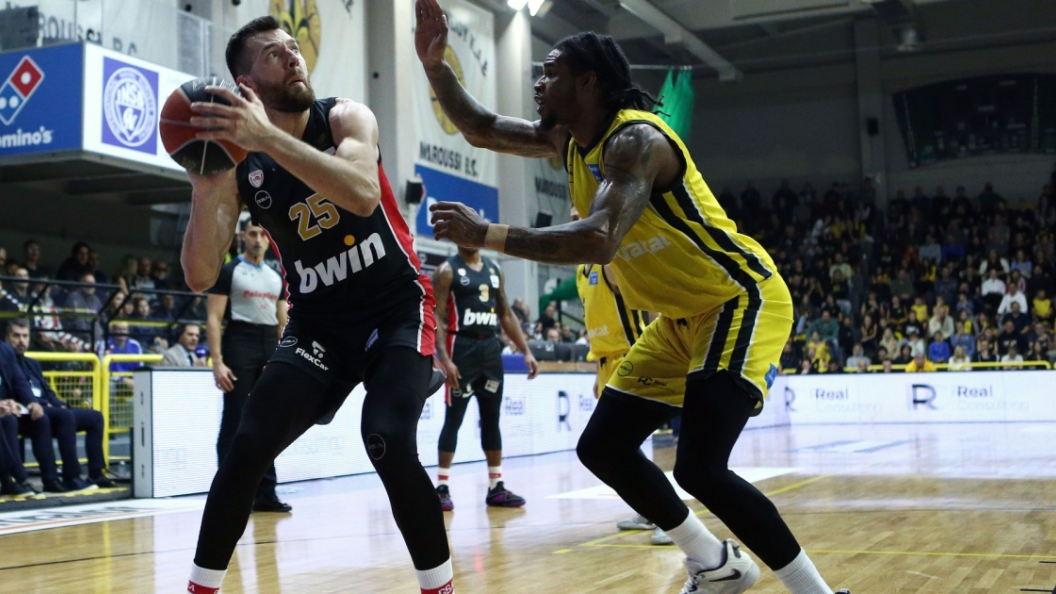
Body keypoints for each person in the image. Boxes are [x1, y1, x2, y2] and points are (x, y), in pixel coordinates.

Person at [417, 9, 847, 594]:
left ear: (588, 82)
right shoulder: (567, 140)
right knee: (604, 447)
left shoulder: (636, 140)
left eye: (550, 72)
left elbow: (599, 239)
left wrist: (486, 233)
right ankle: (715, 562)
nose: (539, 83)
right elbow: (480, 127)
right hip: (679, 318)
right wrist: (435, 66)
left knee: (700, 467)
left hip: (737, 297)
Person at [182, 16, 451, 594]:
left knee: (385, 438)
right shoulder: (240, 166)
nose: (293, 55)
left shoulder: (346, 116)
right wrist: (204, 184)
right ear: (246, 84)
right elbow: (200, 275)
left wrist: (267, 138)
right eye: (274, 54)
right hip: (318, 325)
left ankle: (440, 588)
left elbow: (362, 194)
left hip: (395, 309)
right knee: (247, 446)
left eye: (292, 46)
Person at [573, 206, 673, 546]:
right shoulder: (581, 270)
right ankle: (650, 509)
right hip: (605, 362)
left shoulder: (611, 261)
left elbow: (652, 303)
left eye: (579, 216)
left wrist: (660, 349)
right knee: (620, 445)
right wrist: (597, 369)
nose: (574, 222)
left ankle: (669, 516)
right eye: (571, 218)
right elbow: (597, 318)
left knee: (619, 444)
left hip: (631, 357)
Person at [432, 245, 539, 510]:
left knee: (492, 419)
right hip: (461, 348)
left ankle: (496, 486)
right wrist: (444, 358)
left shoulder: (495, 269)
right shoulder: (446, 271)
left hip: (490, 349)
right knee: (453, 418)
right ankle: (442, 488)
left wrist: (526, 350)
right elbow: (437, 315)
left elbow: (505, 313)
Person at [207, 220, 291, 513]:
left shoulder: (276, 275)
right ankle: (228, 494)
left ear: (269, 240)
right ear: (242, 236)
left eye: (263, 234)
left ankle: (266, 493)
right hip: (239, 341)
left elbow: (283, 323)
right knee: (235, 420)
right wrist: (217, 362)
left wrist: (284, 356)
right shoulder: (229, 271)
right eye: (253, 234)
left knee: (269, 421)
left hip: (268, 344)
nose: (258, 239)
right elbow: (214, 318)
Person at [6, 319, 112, 489]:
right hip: (24, 411)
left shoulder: (32, 363)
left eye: (25, 336)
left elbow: (47, 391)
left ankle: (96, 474)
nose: (21, 341)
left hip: (48, 408)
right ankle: (71, 476)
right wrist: (43, 405)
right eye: (16, 336)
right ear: (6, 338)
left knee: (95, 417)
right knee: (64, 415)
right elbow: (12, 392)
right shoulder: (5, 363)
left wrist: (58, 403)